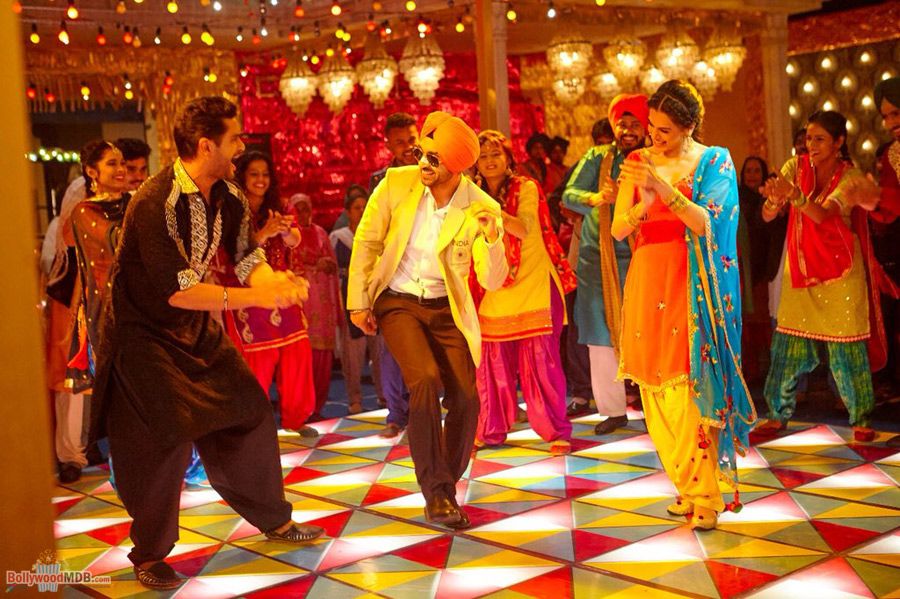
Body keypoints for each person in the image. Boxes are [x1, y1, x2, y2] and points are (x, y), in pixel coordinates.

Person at [93, 96, 324, 590]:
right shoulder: (154, 201)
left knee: (250, 409)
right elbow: (178, 291)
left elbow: (245, 256)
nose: (241, 147)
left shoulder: (228, 193)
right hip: (142, 336)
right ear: (205, 146)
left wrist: (273, 281)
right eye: (234, 139)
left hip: (193, 327)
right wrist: (257, 297)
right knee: (166, 440)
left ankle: (274, 517)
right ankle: (150, 553)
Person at [347, 111, 507, 529]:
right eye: (420, 153)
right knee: (423, 380)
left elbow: (491, 279)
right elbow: (367, 242)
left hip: (445, 308)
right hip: (397, 300)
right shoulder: (395, 184)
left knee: (466, 398)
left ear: (456, 166)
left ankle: (444, 486)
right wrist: (358, 302)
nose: (422, 163)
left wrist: (492, 238)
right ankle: (436, 493)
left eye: (433, 159)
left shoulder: (481, 206)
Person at [612, 79, 755, 531]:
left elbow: (709, 224)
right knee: (653, 388)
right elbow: (618, 229)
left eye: (665, 130)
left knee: (689, 386)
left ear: (690, 127)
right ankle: (686, 485)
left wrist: (665, 190)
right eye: (651, 127)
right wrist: (642, 205)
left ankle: (705, 495)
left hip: (692, 282)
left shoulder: (714, 161)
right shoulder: (637, 162)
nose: (654, 137)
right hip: (647, 275)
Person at [758, 110, 890, 443]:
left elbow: (823, 215)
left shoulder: (850, 176)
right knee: (786, 346)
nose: (811, 145)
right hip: (801, 271)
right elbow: (768, 215)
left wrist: (794, 195)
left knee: (848, 351)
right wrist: (773, 200)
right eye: (808, 138)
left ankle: (861, 418)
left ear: (838, 142)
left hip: (840, 272)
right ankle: (776, 414)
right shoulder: (794, 167)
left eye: (820, 139)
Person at [472, 130, 576, 452]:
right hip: (495, 285)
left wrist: (490, 211)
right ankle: (489, 429)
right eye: (483, 156)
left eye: (496, 154)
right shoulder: (472, 193)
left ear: (509, 159)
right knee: (491, 365)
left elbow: (524, 227)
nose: (490, 161)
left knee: (541, 365)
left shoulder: (526, 187)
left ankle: (555, 431)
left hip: (533, 282)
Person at [211, 151, 318, 437]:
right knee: (258, 359)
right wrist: (264, 233)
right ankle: (253, 423)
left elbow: (295, 240)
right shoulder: (230, 209)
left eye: (265, 174)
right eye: (254, 174)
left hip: (281, 289)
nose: (261, 180)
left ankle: (296, 418)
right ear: (242, 177)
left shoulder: (278, 206)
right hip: (247, 293)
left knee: (297, 350)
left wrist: (284, 231)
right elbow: (231, 253)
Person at [563, 94, 648, 434]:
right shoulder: (598, 156)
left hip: (646, 253)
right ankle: (613, 410)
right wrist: (596, 198)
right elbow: (569, 195)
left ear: (647, 127)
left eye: (635, 124)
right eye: (621, 124)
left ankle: (655, 403)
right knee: (599, 335)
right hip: (598, 257)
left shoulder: (654, 159)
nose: (627, 130)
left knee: (649, 329)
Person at [288, 193, 343, 419]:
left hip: (323, 305)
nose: (303, 213)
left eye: (306, 208)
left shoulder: (321, 233)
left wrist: (327, 265)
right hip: (302, 307)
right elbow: (288, 268)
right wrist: (314, 265)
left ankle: (317, 408)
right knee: (302, 360)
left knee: (323, 358)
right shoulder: (288, 235)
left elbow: (332, 264)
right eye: (297, 209)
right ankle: (299, 410)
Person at [737, 156, 773, 382]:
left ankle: (766, 369)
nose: (752, 175)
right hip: (743, 268)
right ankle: (750, 371)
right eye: (748, 171)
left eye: (756, 171)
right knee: (746, 322)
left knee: (763, 320)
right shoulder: (736, 198)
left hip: (764, 268)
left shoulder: (768, 201)